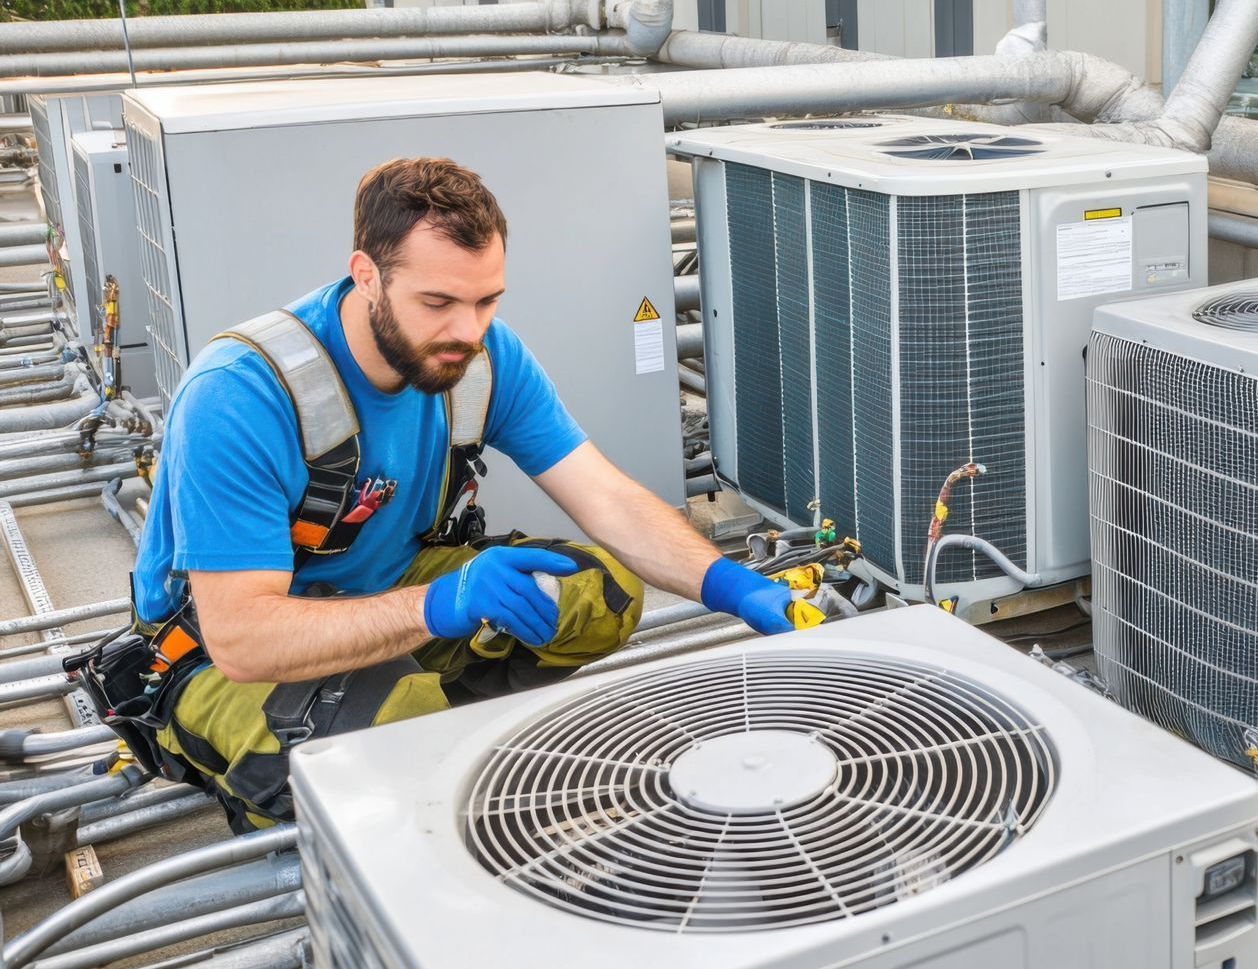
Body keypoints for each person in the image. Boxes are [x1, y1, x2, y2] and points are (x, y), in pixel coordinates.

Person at [110, 156, 799, 832]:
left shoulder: (481, 357)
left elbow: (605, 498)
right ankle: (295, 752)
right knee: (393, 731)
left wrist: (731, 586)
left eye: (486, 299)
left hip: (382, 587)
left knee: (600, 594)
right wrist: (441, 605)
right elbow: (243, 639)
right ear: (366, 277)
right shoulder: (240, 394)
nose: (468, 331)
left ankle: (413, 716)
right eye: (438, 302)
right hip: (212, 650)